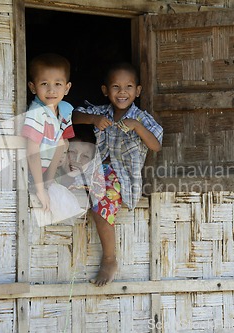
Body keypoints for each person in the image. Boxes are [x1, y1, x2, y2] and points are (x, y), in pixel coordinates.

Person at [73, 62, 163, 286]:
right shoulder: (102, 112)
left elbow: (156, 145)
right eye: (116, 87)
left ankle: (110, 259)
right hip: (96, 168)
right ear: (106, 90)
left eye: (129, 87)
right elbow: (73, 116)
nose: (122, 92)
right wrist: (93, 120)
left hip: (121, 177)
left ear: (138, 91)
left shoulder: (141, 118)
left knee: (101, 206)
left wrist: (137, 127)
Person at [21, 53, 75, 212]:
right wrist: (40, 189)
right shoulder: (36, 113)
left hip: (48, 173)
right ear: (32, 87)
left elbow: (61, 146)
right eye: (44, 83)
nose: (51, 90)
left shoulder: (64, 110)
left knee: (63, 142)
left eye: (58, 84)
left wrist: (49, 184)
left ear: (67, 88)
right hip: (30, 174)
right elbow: (32, 153)